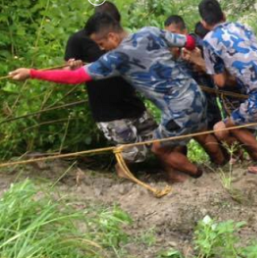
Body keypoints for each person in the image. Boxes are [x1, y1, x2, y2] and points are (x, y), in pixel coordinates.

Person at [9, 13, 228, 183]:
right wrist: (196, 54)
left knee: (159, 148)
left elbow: (74, 77)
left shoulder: (117, 58)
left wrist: (33, 73)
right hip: (196, 95)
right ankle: (223, 165)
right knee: (200, 130)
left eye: (101, 44)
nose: (101, 49)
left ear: (112, 36)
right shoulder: (150, 32)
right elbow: (189, 41)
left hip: (179, 109)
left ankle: (198, 175)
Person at [198, 0, 257, 172]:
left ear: (204, 23)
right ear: (224, 15)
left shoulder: (209, 41)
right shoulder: (242, 27)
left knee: (229, 125)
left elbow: (220, 82)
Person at [63, 2, 153, 176]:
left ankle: (166, 171)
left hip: (131, 101)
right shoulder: (78, 39)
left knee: (159, 141)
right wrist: (74, 67)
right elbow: (68, 72)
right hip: (107, 109)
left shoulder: (122, 38)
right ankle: (122, 174)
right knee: (133, 153)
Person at [164, 15, 227, 162]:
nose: (172, 37)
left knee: (213, 130)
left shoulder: (197, 44)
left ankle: (225, 160)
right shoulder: (172, 49)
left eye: (174, 33)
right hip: (185, 102)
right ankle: (219, 161)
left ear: (184, 31)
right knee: (187, 136)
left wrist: (199, 62)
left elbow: (215, 66)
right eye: (168, 34)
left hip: (206, 96)